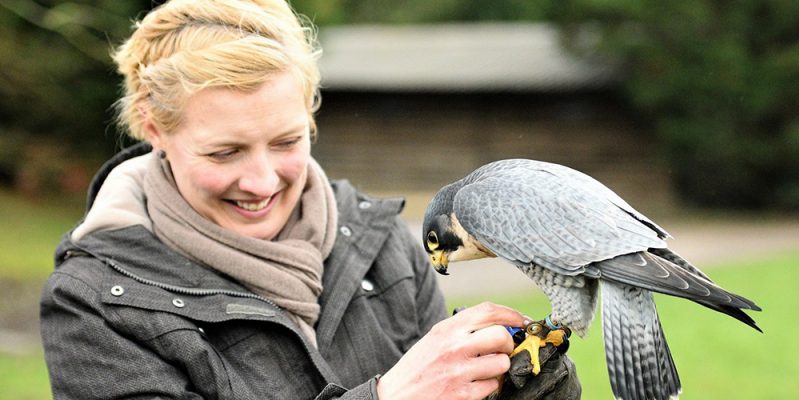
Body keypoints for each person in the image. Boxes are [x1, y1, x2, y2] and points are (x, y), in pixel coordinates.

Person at [39, 0, 579, 399]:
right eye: (224, 152)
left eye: (286, 142)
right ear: (155, 129)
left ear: (311, 116)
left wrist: (524, 385)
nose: (262, 180)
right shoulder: (94, 302)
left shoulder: (381, 238)